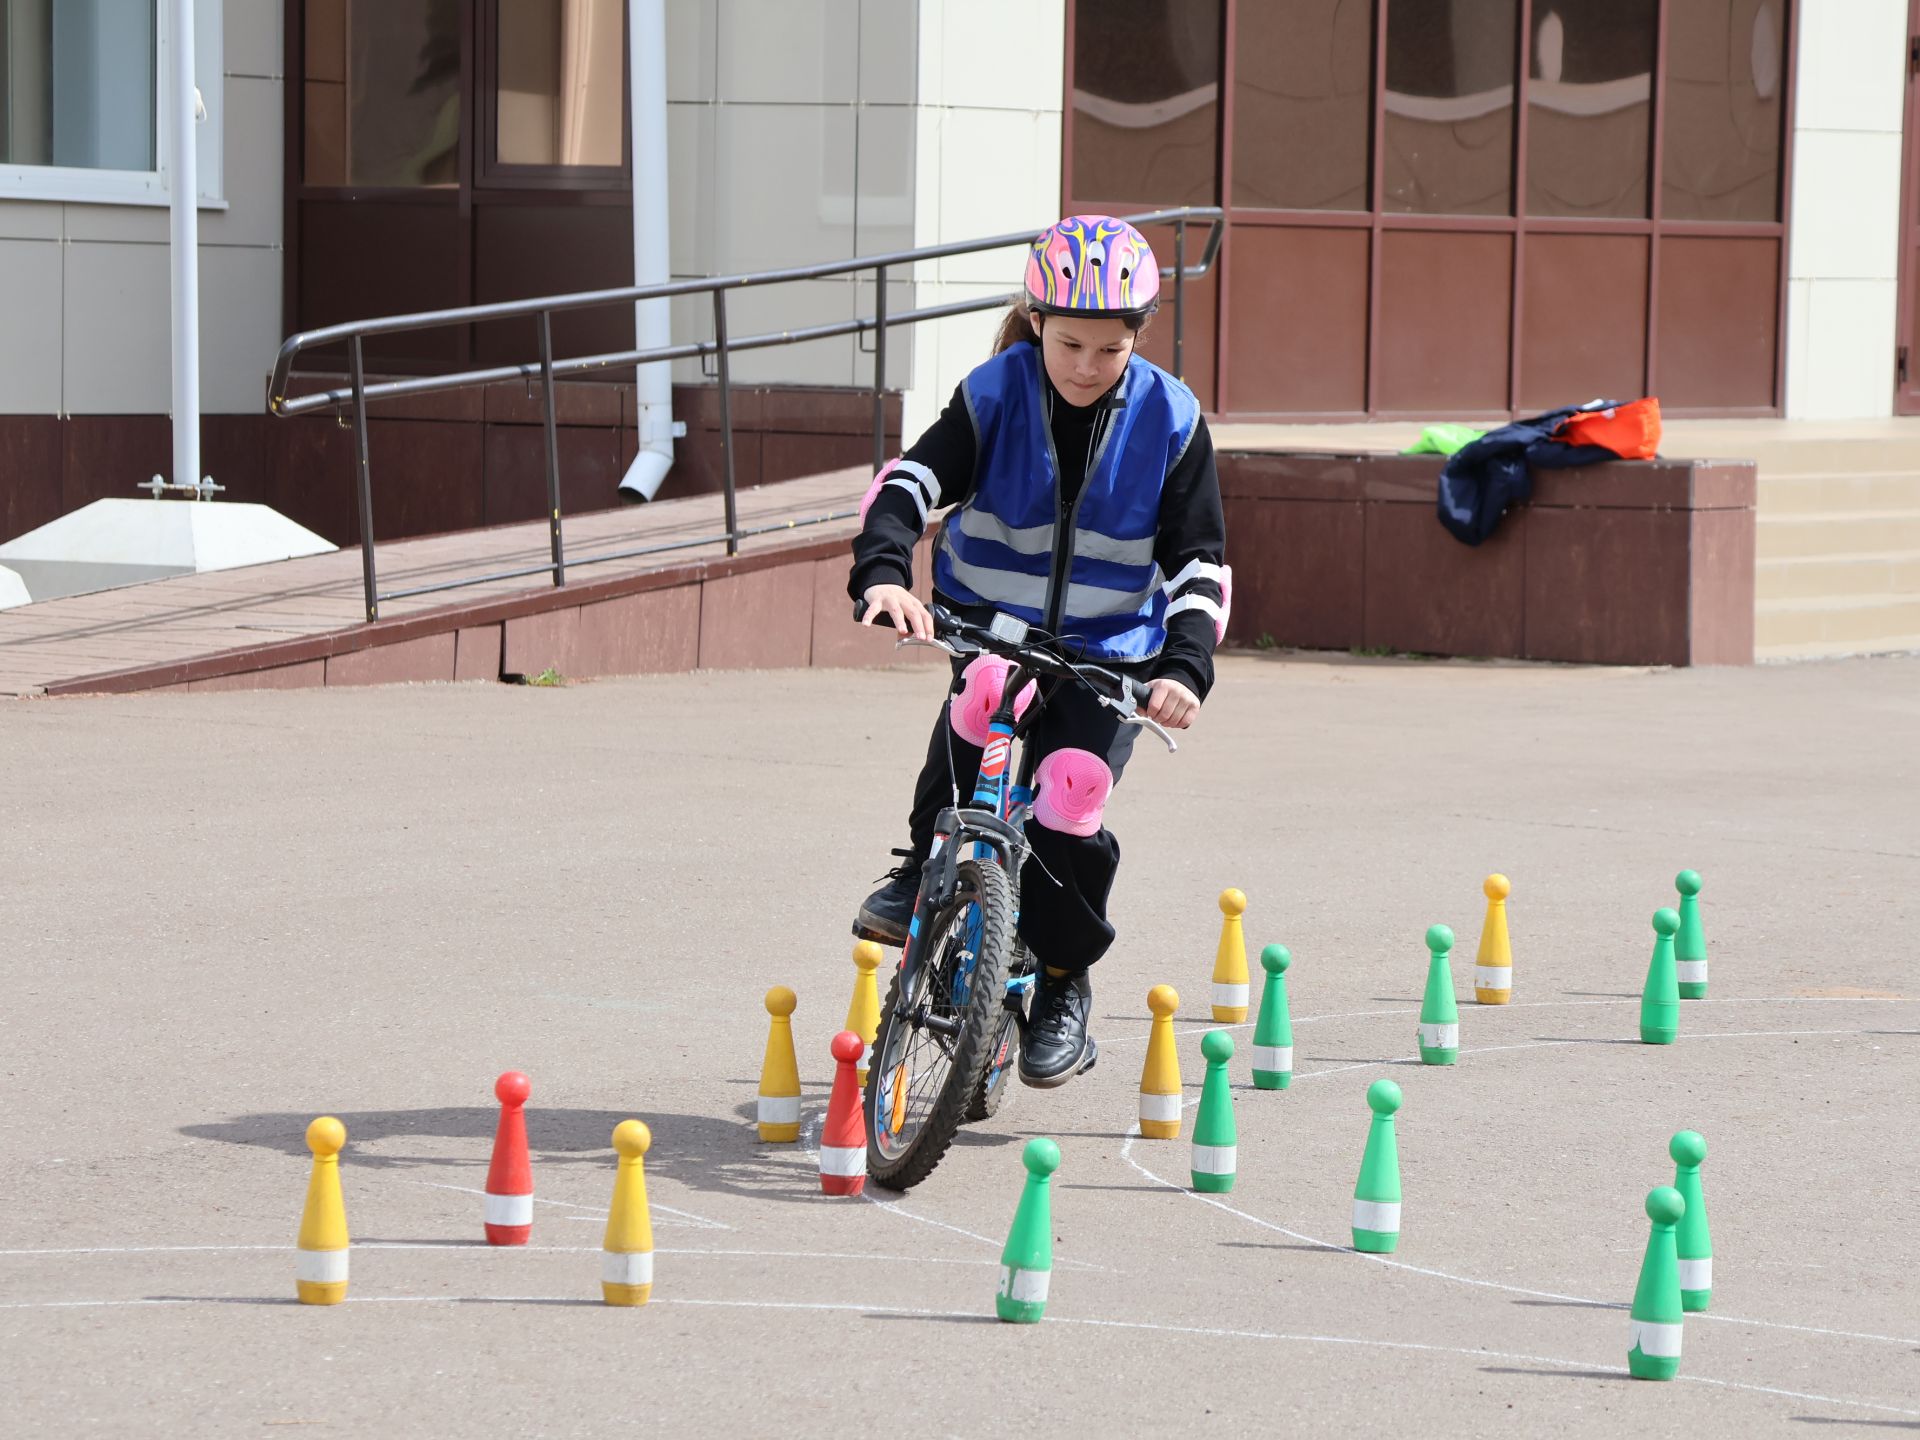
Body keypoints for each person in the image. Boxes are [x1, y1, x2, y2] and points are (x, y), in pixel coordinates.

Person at [847, 214, 1228, 1089]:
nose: (1086, 367)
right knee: (980, 697)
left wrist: (1183, 667)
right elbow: (910, 484)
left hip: (1110, 653)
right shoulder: (995, 393)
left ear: (1138, 337)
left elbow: (1198, 563)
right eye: (1068, 344)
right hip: (995, 626)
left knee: (1072, 790)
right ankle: (925, 868)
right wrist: (884, 573)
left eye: (1108, 349)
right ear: (1035, 320)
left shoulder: (1171, 419)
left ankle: (1062, 981)